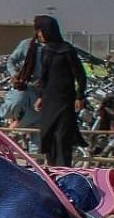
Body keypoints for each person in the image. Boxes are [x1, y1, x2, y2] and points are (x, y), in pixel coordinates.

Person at [29, 15, 87, 166]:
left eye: (40, 31)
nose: (39, 35)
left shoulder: (67, 50)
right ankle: (53, 172)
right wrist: (40, 96)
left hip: (65, 101)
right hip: (49, 101)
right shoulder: (46, 51)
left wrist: (80, 97)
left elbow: (80, 75)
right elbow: (44, 76)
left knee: (62, 138)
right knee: (49, 136)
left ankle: (64, 172)